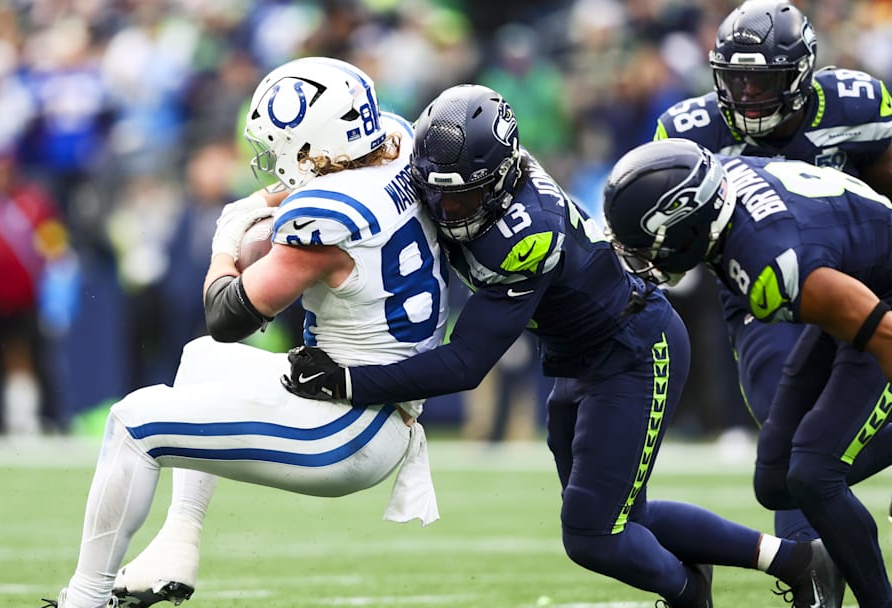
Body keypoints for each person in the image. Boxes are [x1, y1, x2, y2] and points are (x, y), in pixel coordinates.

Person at [283, 84, 840, 608]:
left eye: (464, 196)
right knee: (622, 516)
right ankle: (796, 560)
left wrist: (349, 382)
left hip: (633, 351)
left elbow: (465, 363)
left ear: (500, 178)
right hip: (582, 357)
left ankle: (693, 593)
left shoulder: (526, 232)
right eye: (437, 194)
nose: (448, 211)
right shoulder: (464, 174)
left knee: (593, 534)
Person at [43, 56, 449, 608]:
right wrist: (263, 204)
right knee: (201, 360)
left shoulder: (331, 217)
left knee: (133, 422)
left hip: (349, 425)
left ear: (317, 144)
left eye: (285, 146)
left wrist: (226, 238)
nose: (273, 159)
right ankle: (176, 544)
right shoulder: (395, 146)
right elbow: (331, 178)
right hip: (368, 390)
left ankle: (85, 598)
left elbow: (227, 316)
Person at [601, 137, 892, 608]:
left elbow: (884, 334)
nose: (646, 260)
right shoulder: (714, 186)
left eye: (650, 246)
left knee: (814, 474)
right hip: (856, 282)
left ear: (690, 227)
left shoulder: (770, 263)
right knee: (777, 479)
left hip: (878, 306)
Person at [653, 0, 892, 539]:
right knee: (784, 425)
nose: (747, 94)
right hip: (761, 289)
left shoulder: (852, 106)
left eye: (763, 80)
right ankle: (810, 559)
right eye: (735, 80)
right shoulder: (690, 131)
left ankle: (816, 543)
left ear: (801, 73)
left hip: (858, 272)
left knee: (814, 448)